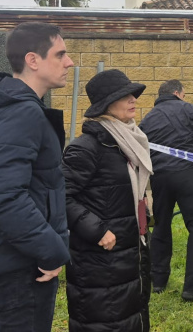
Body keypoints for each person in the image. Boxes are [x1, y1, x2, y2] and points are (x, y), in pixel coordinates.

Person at [0, 22, 74, 332]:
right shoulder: (19, 112)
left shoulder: (1, 106)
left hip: (2, 262)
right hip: (20, 270)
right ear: (33, 60)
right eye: (60, 54)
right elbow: (5, 197)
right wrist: (50, 252)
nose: (70, 62)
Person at [62, 69, 152, 331]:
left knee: (132, 317)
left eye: (133, 94)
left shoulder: (130, 140)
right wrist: (98, 230)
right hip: (100, 261)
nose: (133, 99)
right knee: (105, 321)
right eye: (125, 95)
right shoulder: (86, 147)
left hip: (130, 250)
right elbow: (58, 195)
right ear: (106, 105)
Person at [139, 79, 193, 301]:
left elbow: (139, 148)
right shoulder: (191, 110)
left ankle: (157, 281)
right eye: (184, 94)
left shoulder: (148, 118)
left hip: (159, 178)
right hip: (187, 175)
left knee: (161, 225)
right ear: (178, 93)